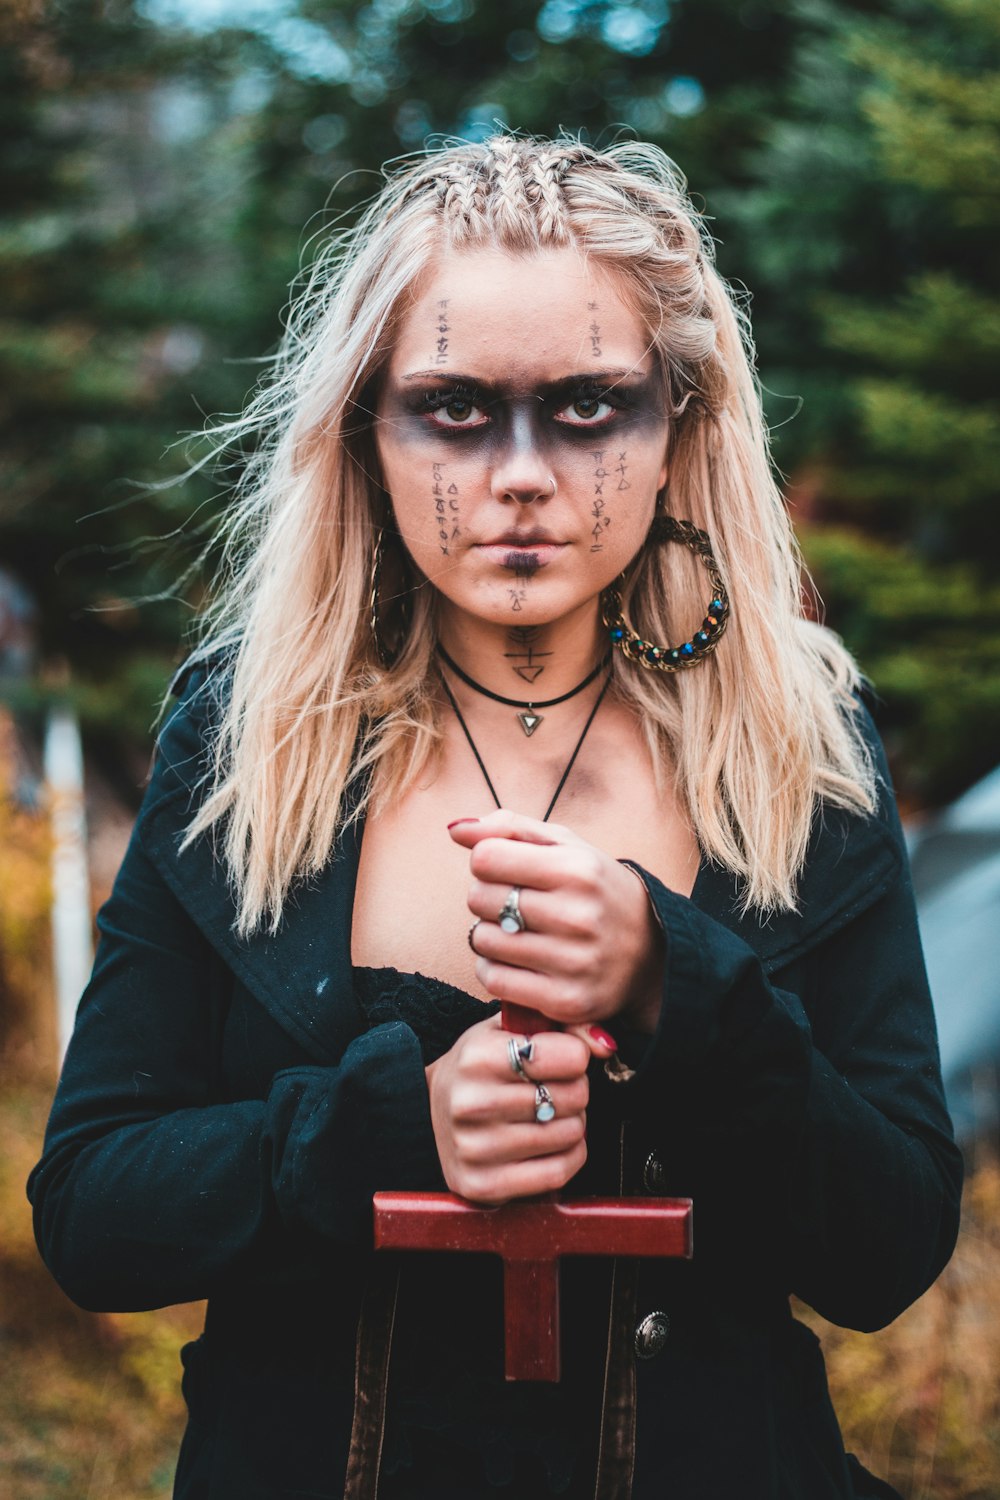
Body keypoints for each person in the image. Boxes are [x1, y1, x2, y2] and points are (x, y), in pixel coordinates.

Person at [28, 135, 961, 1500]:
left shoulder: (800, 749)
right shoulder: (245, 741)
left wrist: (673, 982)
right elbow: (95, 1215)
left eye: (589, 407)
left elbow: (887, 1249)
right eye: (455, 409)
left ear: (676, 428)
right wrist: (381, 1131)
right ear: (367, 432)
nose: (522, 474)